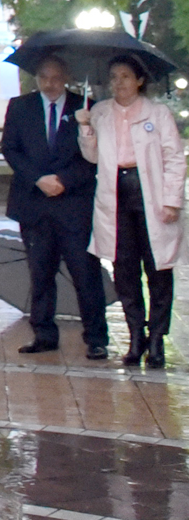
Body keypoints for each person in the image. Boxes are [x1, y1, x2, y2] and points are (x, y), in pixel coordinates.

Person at [78, 57, 184, 369]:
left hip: (149, 191)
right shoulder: (100, 112)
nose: (119, 82)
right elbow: (92, 156)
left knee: (158, 269)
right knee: (124, 270)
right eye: (114, 77)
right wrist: (85, 127)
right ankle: (136, 335)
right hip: (116, 192)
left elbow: (174, 158)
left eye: (125, 76)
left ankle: (157, 339)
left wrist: (172, 200)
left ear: (139, 81)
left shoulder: (157, 113)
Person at [0, 56, 106, 359]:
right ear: (36, 78)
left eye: (56, 77)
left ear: (66, 77)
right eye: (44, 77)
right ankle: (44, 333)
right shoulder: (20, 107)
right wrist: (38, 179)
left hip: (73, 205)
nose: (50, 83)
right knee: (40, 274)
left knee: (85, 274)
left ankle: (96, 338)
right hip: (34, 204)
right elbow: (10, 148)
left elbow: (94, 156)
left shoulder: (86, 107)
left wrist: (63, 181)